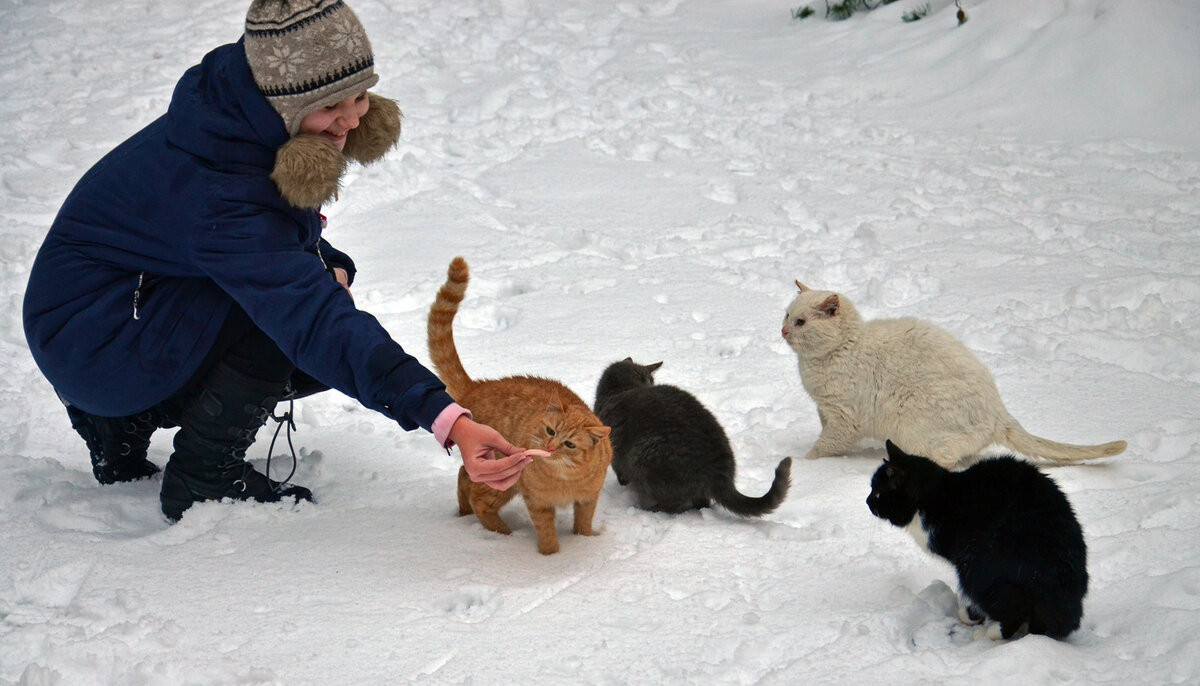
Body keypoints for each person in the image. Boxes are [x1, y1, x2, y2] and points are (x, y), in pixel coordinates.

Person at [22, 0, 538, 522]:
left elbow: (269, 239)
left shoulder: (240, 124)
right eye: (331, 105)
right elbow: (304, 308)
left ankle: (119, 427)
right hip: (97, 343)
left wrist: (329, 263)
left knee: (303, 302)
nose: (352, 120)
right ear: (283, 100)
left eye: (359, 95)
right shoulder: (219, 184)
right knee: (288, 323)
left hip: (102, 320)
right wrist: (447, 418)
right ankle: (203, 476)